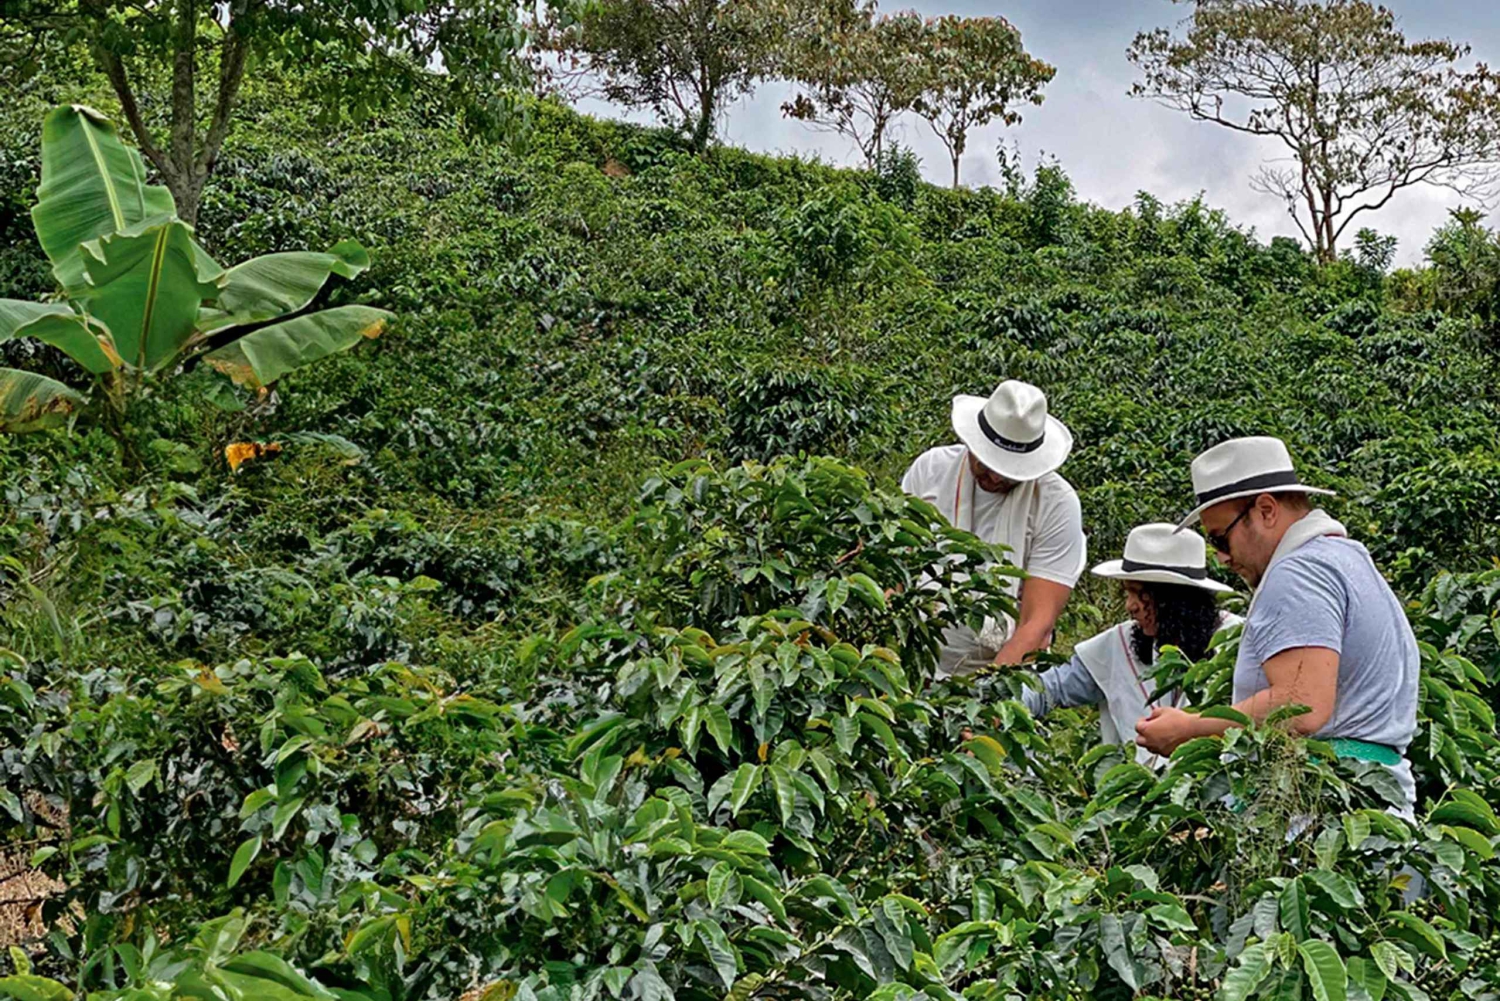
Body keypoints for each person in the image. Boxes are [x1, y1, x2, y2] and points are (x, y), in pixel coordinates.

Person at [1134, 436, 1420, 813]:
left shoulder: (1297, 572)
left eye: (1221, 539)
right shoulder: (1345, 558)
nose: (1221, 558)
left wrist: (1189, 728)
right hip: (1369, 798)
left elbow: (1301, 705)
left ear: (1266, 510)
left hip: (1325, 805)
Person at [901, 379, 1086, 678]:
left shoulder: (1055, 504)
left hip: (1008, 667)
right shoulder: (931, 471)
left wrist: (984, 701)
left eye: (1007, 471)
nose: (995, 477)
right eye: (986, 463)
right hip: (914, 657)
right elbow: (897, 566)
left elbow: (1035, 625)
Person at [1022, 523, 1239, 768]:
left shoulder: (1234, 642)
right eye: (1128, 594)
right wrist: (999, 707)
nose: (1130, 606)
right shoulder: (1121, 643)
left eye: (1139, 594)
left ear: (1174, 599)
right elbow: (1051, 687)